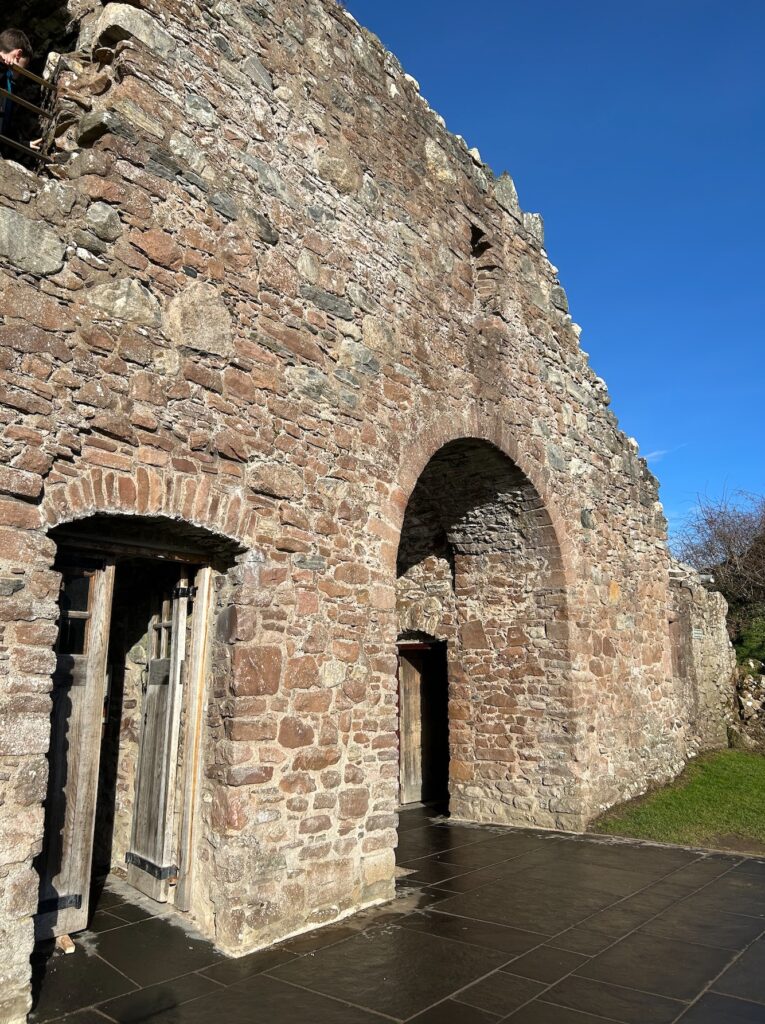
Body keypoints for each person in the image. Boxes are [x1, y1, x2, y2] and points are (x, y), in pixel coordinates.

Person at [0, 29, 34, 144]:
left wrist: (23, 144)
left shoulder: (8, 81)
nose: (21, 73)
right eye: (24, 67)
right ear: (18, 55)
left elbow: (4, 122)